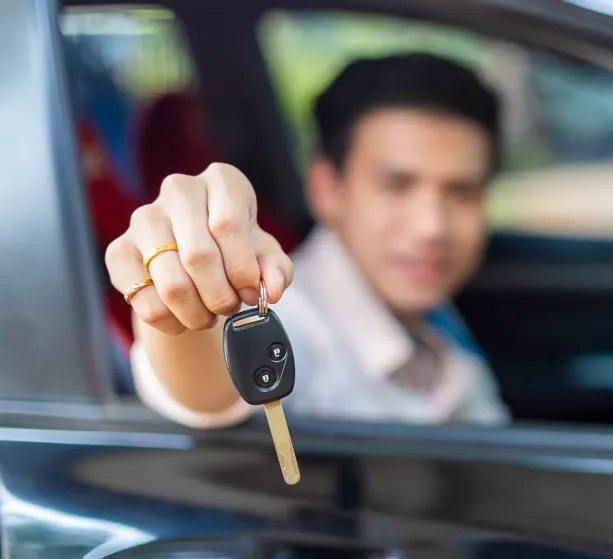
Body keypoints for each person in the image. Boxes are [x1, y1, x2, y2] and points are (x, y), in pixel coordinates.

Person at [104, 53, 510, 427]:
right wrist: (181, 274)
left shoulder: (436, 316)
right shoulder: (287, 318)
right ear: (326, 187)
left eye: (462, 191)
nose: (432, 226)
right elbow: (206, 391)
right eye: (397, 185)